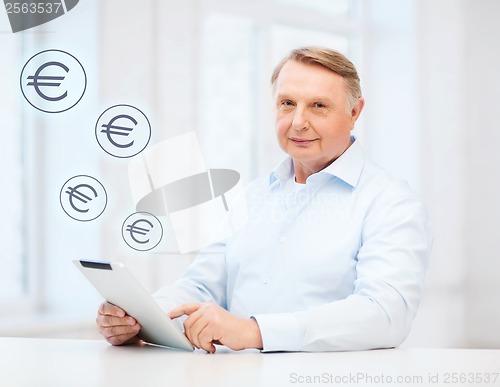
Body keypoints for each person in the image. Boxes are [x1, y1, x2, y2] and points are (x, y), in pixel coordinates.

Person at [96, 47, 432, 353]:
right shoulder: (254, 196)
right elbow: (202, 285)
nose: (299, 122)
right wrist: (139, 317)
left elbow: (386, 314)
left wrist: (255, 332)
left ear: (355, 111)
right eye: (287, 103)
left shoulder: (391, 203)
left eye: (318, 105)